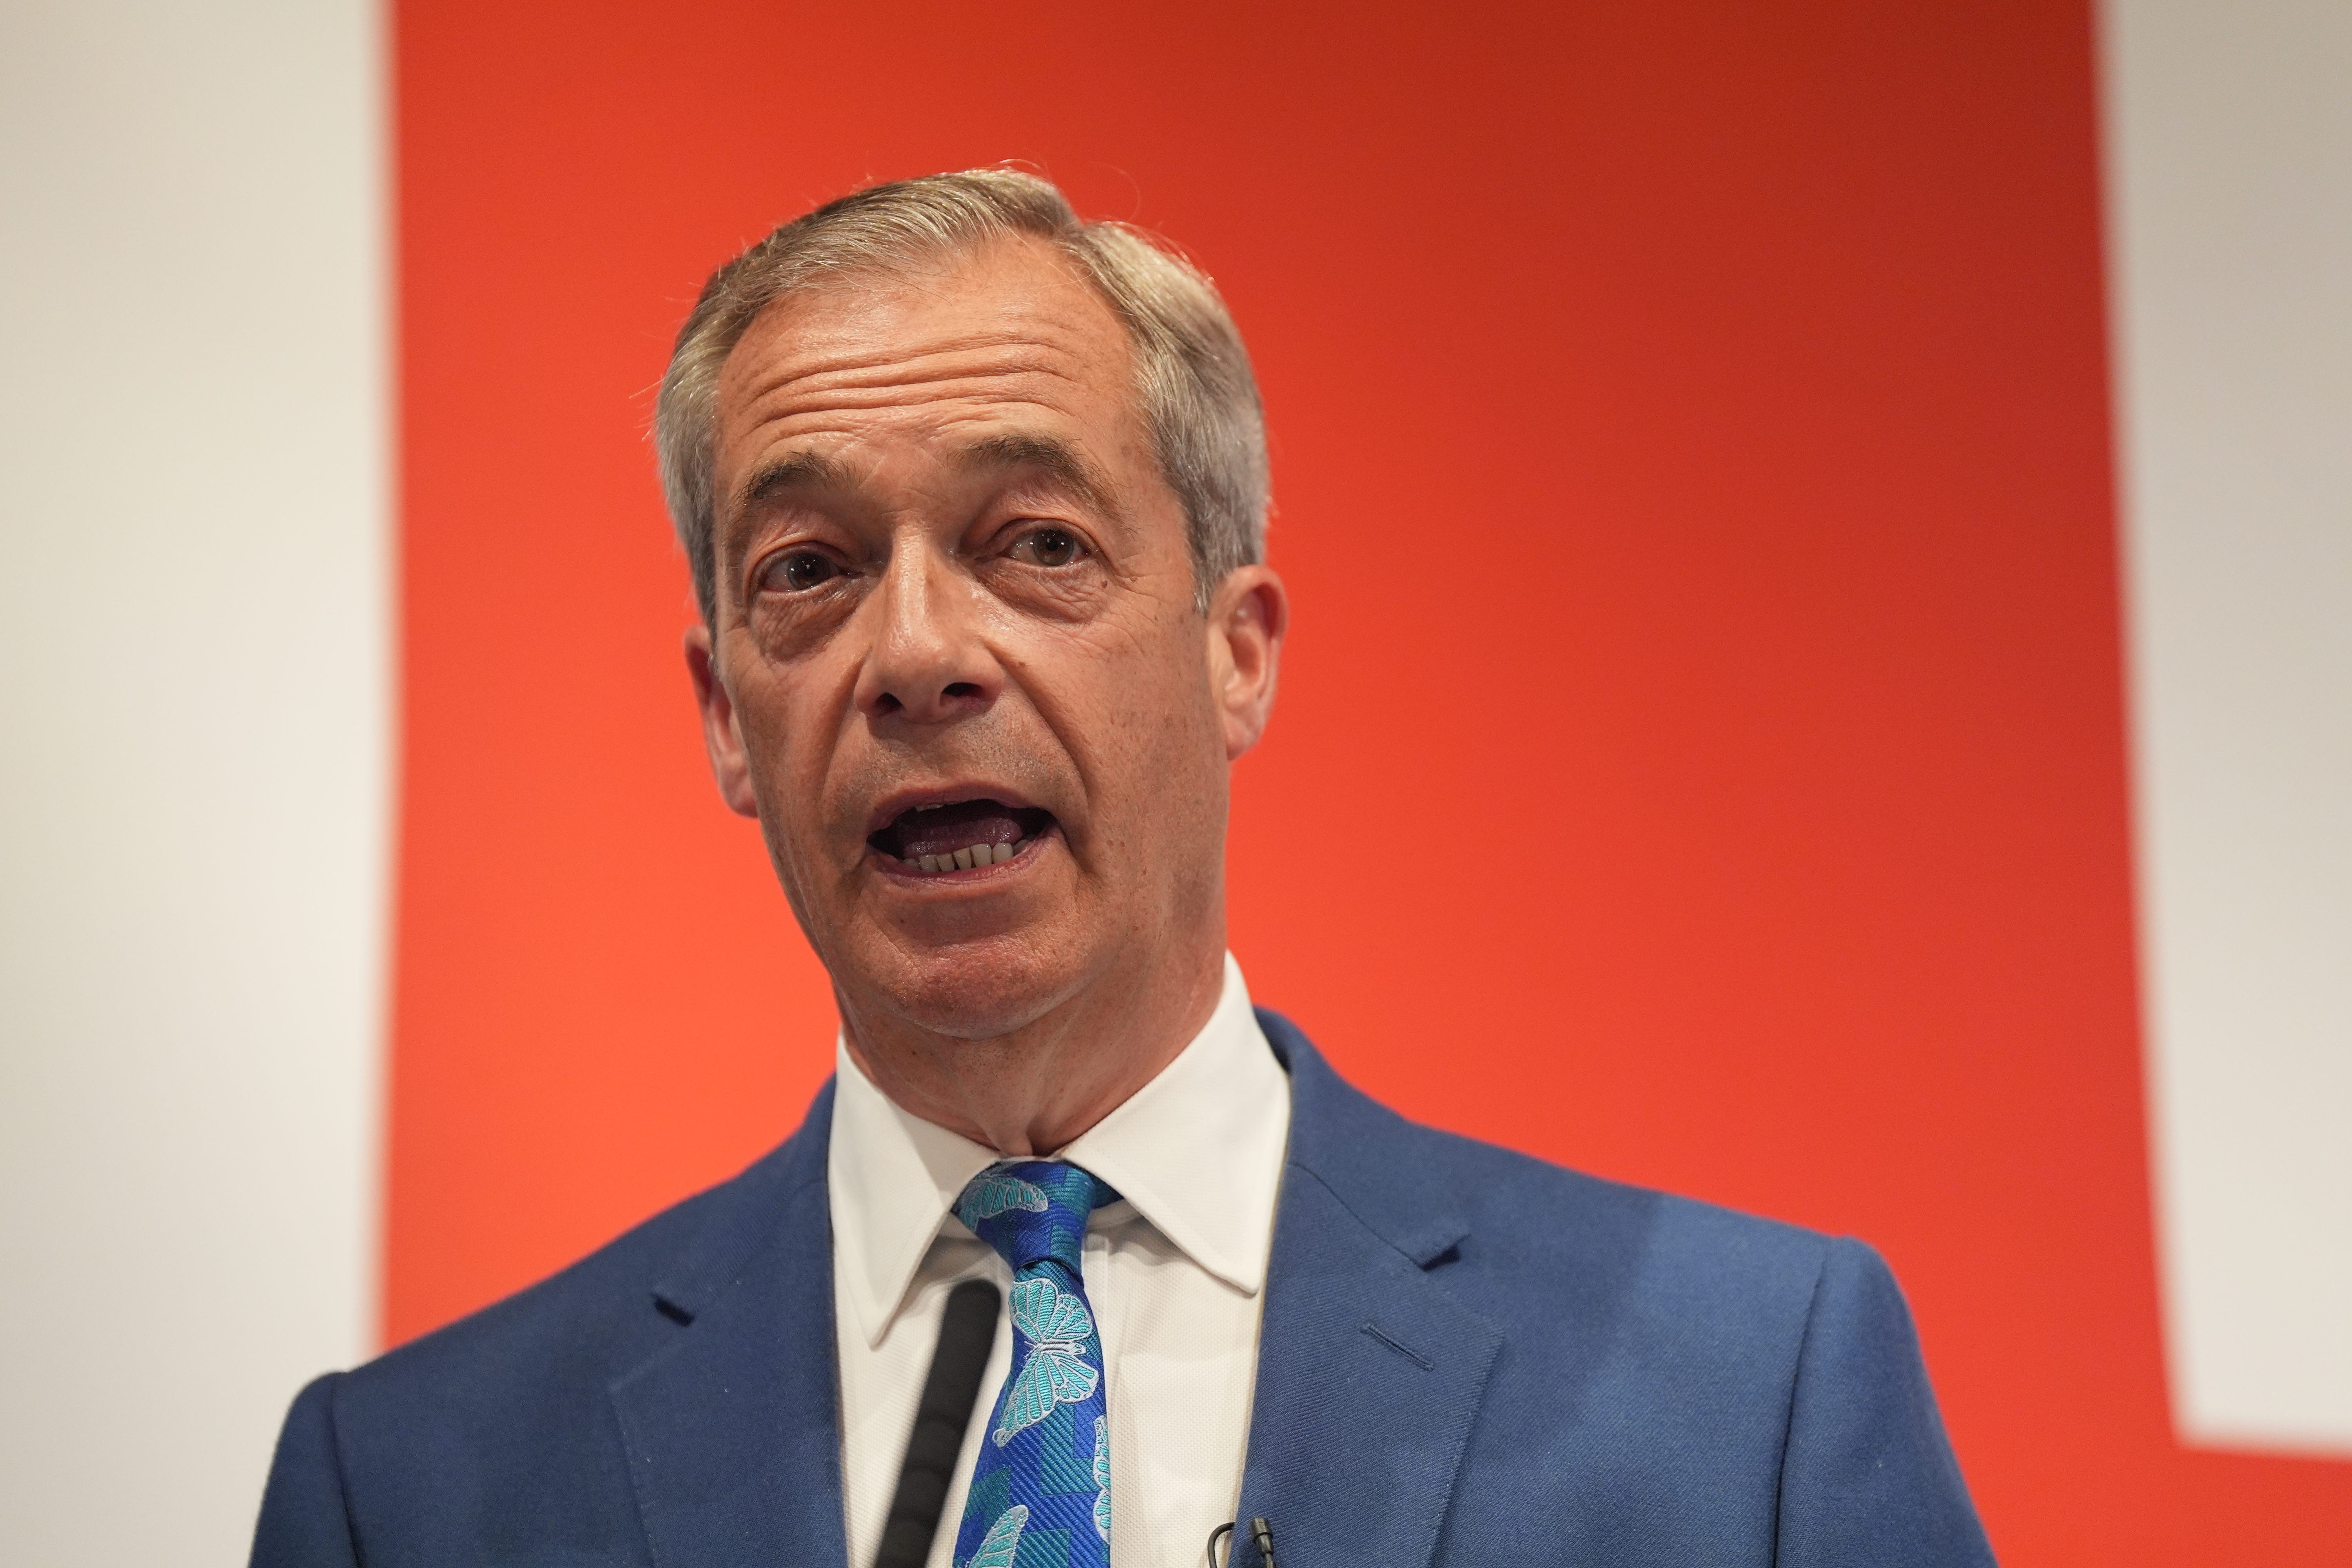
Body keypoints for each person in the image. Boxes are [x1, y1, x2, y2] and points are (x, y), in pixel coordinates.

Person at [251, 169, 1995, 1568]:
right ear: (725, 712)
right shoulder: (413, 1491)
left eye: (1038, 544)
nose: (916, 651)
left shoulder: (1743, 1397)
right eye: (809, 569)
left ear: (1235, 649)